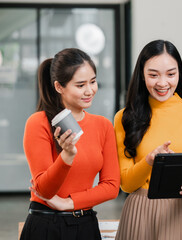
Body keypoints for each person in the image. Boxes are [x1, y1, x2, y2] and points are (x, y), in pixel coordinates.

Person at [113, 39, 182, 240]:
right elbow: (126, 185)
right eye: (153, 75)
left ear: (179, 74)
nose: (163, 83)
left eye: (171, 74)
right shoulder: (124, 118)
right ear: (142, 75)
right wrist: (149, 161)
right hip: (139, 212)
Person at [20, 48, 120, 240]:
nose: (90, 90)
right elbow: (44, 189)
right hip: (46, 226)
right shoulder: (38, 122)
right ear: (59, 87)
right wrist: (66, 156)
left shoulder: (103, 126)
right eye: (80, 85)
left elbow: (111, 186)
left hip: (85, 225)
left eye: (93, 81)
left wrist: (69, 203)